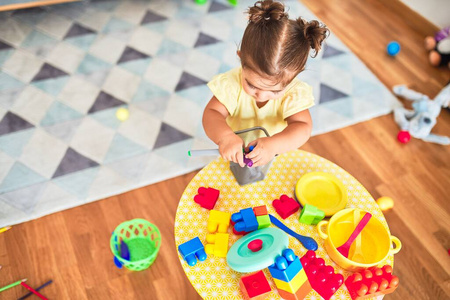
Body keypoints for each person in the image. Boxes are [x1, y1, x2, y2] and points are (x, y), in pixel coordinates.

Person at [202, 0, 329, 168]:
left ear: (293, 78)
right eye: (252, 85)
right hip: (235, 151)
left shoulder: (293, 93)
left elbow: (303, 126)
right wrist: (225, 137)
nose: (261, 95)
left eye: (275, 91)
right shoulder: (231, 84)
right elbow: (212, 113)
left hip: (275, 153)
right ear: (240, 59)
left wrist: (274, 145)